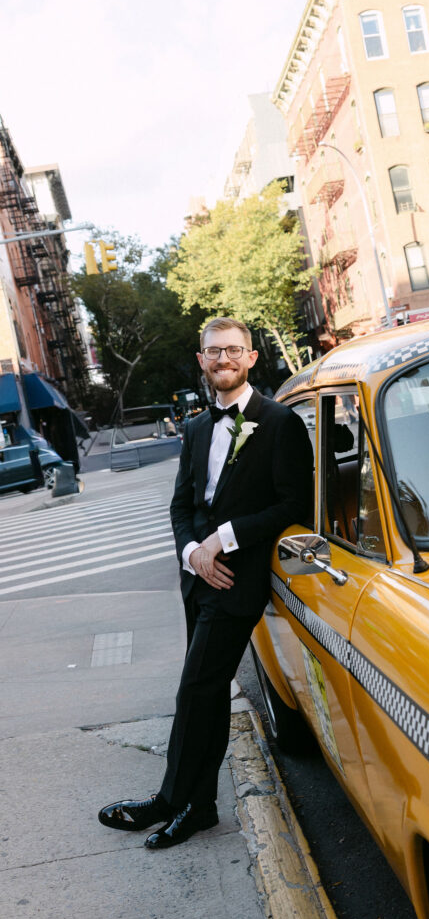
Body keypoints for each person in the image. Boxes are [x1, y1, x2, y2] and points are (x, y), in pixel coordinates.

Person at [98, 317, 313, 849]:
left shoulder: (281, 423)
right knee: (210, 693)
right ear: (202, 360)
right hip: (199, 579)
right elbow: (183, 504)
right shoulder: (195, 428)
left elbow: (294, 503)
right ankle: (202, 808)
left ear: (251, 358)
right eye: (214, 352)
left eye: (233, 351)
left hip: (238, 583)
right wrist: (194, 550)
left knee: (195, 688)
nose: (223, 360)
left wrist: (227, 537)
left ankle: (170, 799)